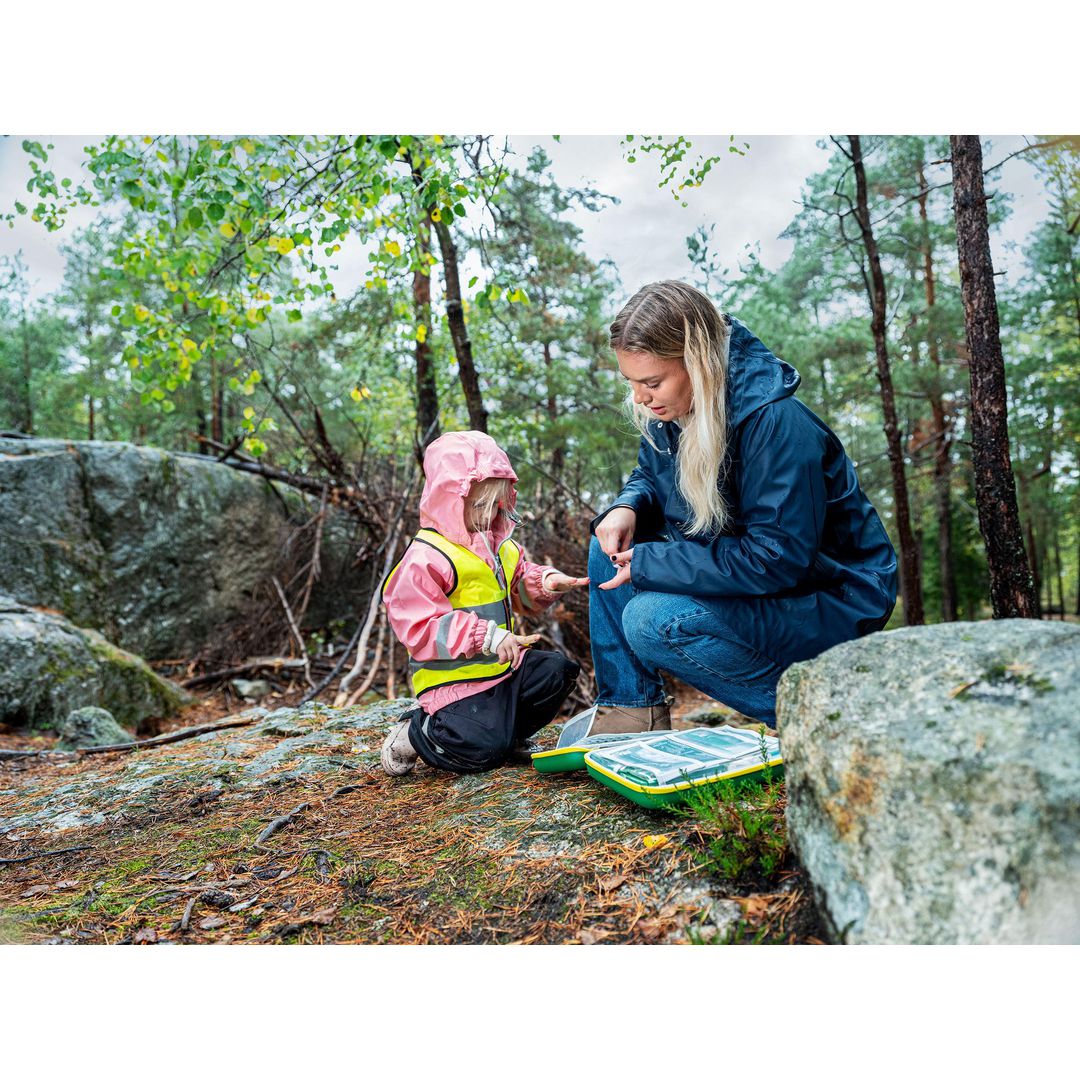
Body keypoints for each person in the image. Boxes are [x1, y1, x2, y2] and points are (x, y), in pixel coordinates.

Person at [588, 280, 898, 733]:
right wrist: (627, 505)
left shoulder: (774, 422)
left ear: (698, 361)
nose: (639, 397)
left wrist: (653, 562)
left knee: (651, 620)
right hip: (763, 579)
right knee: (608, 547)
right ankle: (631, 710)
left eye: (651, 382)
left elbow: (778, 559)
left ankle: (823, 720)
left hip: (830, 595)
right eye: (631, 382)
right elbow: (652, 477)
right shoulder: (673, 411)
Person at [380, 430, 589, 775]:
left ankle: (511, 736)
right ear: (448, 498)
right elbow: (419, 627)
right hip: (456, 686)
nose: (489, 515)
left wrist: (547, 582)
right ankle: (416, 732)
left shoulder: (499, 546)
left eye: (496, 505)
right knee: (480, 753)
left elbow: (520, 582)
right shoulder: (427, 557)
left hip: (502, 671)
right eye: (479, 505)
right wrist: (485, 636)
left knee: (558, 671)